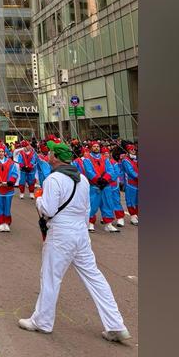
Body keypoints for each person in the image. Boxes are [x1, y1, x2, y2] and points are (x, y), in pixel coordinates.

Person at [18, 142, 130, 342]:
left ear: (55, 157)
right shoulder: (83, 179)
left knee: (51, 277)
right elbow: (86, 209)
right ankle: (116, 324)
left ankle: (42, 321)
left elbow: (48, 210)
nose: (48, 155)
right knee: (94, 277)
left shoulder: (53, 179)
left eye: (50, 152)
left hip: (61, 232)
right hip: (80, 232)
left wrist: (38, 199)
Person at [120, 144, 139, 224]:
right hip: (130, 184)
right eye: (131, 149)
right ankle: (133, 216)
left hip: (137, 183)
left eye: (134, 149)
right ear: (128, 151)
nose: (133, 151)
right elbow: (130, 171)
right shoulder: (125, 160)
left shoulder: (136, 159)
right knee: (131, 200)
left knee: (138, 200)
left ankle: (137, 214)